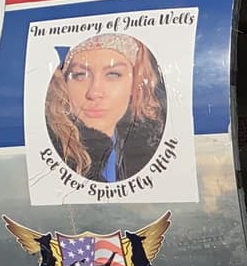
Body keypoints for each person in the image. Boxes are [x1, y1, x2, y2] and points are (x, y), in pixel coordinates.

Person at [45, 32, 167, 182]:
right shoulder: (57, 156)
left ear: (135, 84)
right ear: (63, 84)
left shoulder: (140, 151)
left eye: (113, 74)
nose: (94, 92)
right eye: (80, 75)